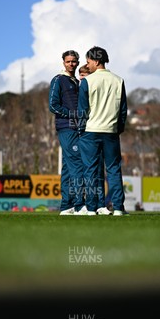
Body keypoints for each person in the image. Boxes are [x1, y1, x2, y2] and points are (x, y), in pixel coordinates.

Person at [77, 46, 128, 216]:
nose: (87, 64)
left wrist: (81, 130)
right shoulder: (119, 80)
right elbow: (123, 111)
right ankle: (119, 208)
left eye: (88, 61)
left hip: (90, 131)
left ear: (96, 61)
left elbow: (82, 111)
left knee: (90, 170)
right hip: (111, 132)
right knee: (114, 169)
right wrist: (117, 129)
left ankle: (91, 209)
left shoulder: (87, 81)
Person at [49, 50, 86, 215]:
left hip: (76, 128)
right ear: (63, 62)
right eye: (68, 61)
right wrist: (73, 115)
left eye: (74, 61)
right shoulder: (58, 80)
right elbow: (53, 105)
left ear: (77, 62)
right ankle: (79, 205)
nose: (71, 64)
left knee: (67, 167)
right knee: (77, 163)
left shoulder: (77, 82)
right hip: (66, 128)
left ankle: (66, 206)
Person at [79, 64, 112, 215]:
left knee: (97, 170)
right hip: (81, 134)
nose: (82, 78)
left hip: (92, 131)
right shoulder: (77, 89)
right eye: (80, 75)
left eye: (84, 75)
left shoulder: (93, 86)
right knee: (84, 171)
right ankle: (82, 205)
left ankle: (99, 205)